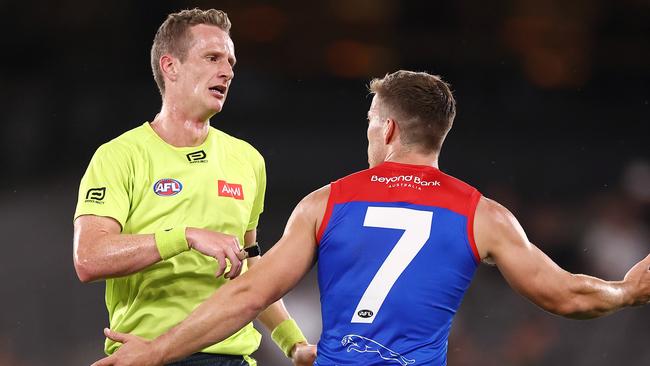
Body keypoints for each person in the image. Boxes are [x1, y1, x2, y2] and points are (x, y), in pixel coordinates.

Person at [91, 70, 650, 366]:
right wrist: (627, 291)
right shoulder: (482, 215)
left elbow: (245, 296)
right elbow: (567, 296)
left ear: (386, 130)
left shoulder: (325, 203)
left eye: (369, 121)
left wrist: (155, 352)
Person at [73, 8, 315, 366]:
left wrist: (293, 342)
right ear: (171, 67)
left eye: (230, 61)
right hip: (146, 355)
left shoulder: (247, 159)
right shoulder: (118, 156)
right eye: (212, 57)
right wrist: (183, 236)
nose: (228, 71)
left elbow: (251, 269)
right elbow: (89, 258)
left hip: (232, 357)